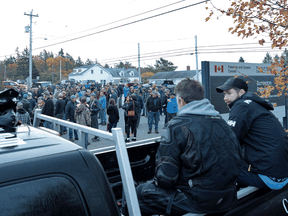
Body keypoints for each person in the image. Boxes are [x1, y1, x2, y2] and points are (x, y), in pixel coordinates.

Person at [136, 78, 242, 216]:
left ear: (180, 100)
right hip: (228, 196)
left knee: (138, 192)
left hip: (198, 201)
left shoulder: (176, 125)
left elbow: (165, 179)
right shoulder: (222, 123)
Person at [216, 77, 288, 190]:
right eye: (224, 94)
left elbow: (229, 143)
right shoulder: (256, 106)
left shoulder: (241, 106)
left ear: (241, 92)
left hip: (270, 178)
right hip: (282, 175)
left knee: (217, 167)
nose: (225, 98)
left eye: (229, 93)